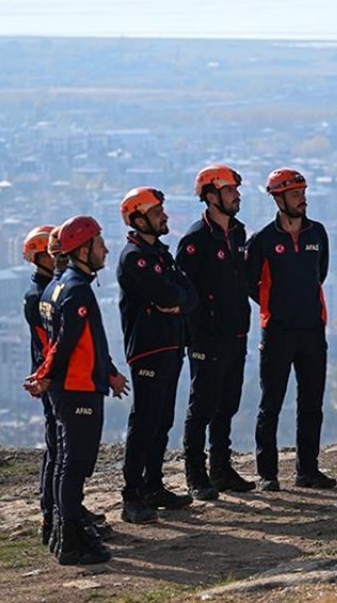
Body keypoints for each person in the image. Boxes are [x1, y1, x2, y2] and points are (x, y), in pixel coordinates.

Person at [26, 215, 129, 564]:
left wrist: (109, 373)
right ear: (83, 249)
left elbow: (79, 342)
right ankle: (71, 539)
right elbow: (66, 345)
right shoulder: (76, 290)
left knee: (66, 462)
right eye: (100, 244)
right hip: (77, 387)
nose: (106, 249)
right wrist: (47, 376)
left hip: (75, 385)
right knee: (74, 464)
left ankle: (62, 533)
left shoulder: (57, 286)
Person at [246, 168, 336, 489]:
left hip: (313, 329)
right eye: (296, 194)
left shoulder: (318, 233)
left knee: (312, 402)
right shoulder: (262, 240)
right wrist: (277, 306)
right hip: (278, 332)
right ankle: (267, 474)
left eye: (303, 192)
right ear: (278, 198)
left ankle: (307, 470)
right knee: (271, 403)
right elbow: (250, 283)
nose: (303, 199)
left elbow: (319, 274)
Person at [117, 187, 199, 523]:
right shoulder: (134, 258)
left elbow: (189, 294)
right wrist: (175, 298)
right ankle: (131, 494)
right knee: (145, 420)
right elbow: (167, 291)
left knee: (163, 419)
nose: (163, 216)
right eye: (156, 212)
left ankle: (153, 485)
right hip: (148, 349)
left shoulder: (162, 255)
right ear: (137, 219)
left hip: (172, 344)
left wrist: (176, 301)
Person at [176, 164, 256, 500]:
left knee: (228, 403)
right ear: (210, 197)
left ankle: (221, 469)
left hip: (237, 332)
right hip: (206, 339)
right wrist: (196, 337)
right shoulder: (194, 241)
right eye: (229, 190)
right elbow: (183, 294)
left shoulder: (238, 232)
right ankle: (196, 474)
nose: (237, 195)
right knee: (202, 406)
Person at [20, 224, 56, 544]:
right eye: (51, 253)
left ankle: (61, 507)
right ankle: (52, 512)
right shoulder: (38, 296)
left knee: (62, 447)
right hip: (51, 377)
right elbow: (49, 344)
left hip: (51, 375)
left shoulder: (50, 289)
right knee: (57, 447)